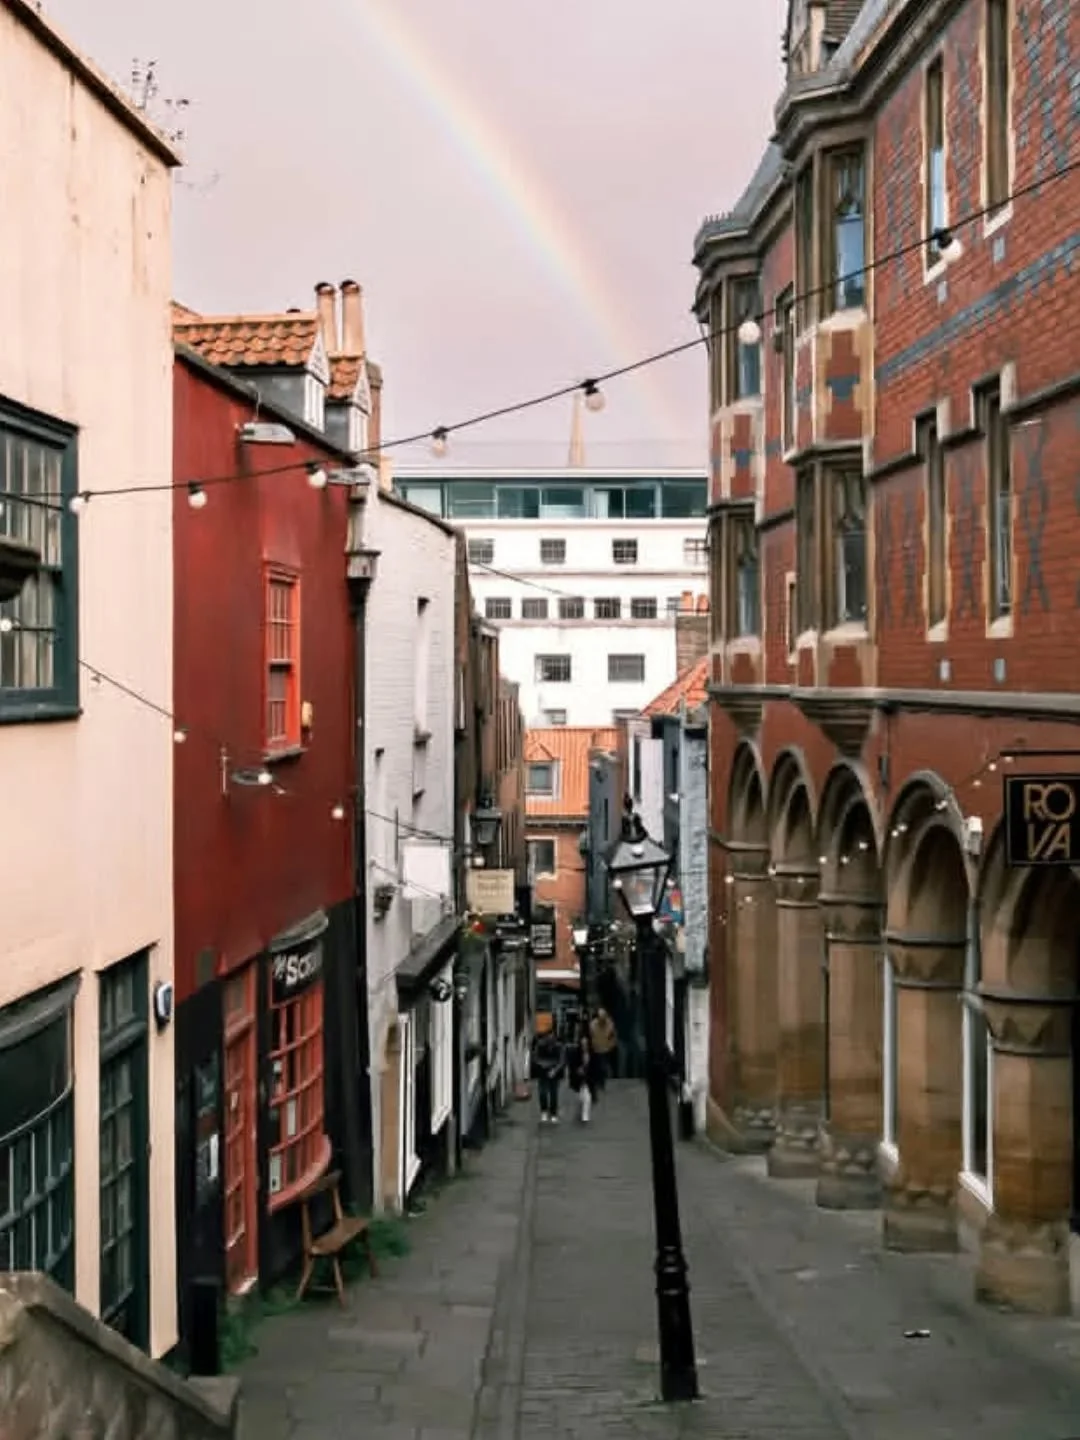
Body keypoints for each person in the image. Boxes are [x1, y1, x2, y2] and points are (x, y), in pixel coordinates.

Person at [532, 1015, 566, 1124]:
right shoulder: (540, 1045)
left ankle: (553, 1113)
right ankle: (544, 1112)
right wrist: (542, 1065)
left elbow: (562, 1060)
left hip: (554, 1071)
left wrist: (555, 1070)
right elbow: (535, 1058)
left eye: (551, 1036)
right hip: (543, 1071)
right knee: (542, 1092)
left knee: (553, 1093)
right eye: (548, 1036)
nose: (549, 1038)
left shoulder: (559, 1046)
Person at [568, 1028, 599, 1124]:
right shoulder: (576, 1053)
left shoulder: (593, 1054)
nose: (584, 1046)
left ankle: (585, 1116)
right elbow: (572, 1066)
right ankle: (582, 1112)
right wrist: (577, 1070)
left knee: (587, 1096)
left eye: (586, 1044)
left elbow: (596, 1067)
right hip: (579, 1079)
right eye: (583, 1044)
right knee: (582, 1097)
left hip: (588, 1079)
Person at [589, 1008, 618, 1087]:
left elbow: (613, 1036)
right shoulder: (593, 1025)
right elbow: (591, 1037)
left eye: (604, 1017)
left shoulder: (610, 1024)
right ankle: (599, 1081)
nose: (602, 1020)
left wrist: (611, 1045)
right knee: (598, 1066)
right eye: (601, 1018)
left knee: (603, 1066)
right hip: (597, 1048)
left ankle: (602, 1081)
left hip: (606, 1048)